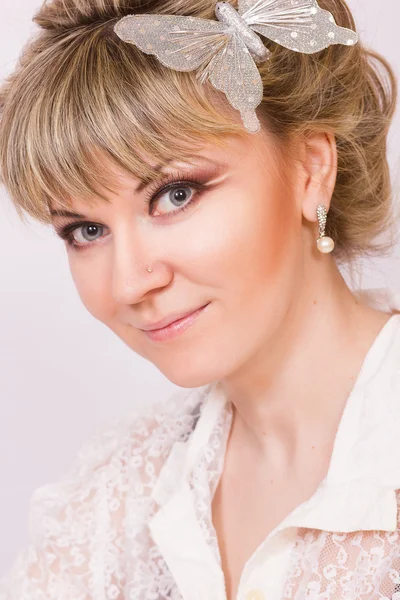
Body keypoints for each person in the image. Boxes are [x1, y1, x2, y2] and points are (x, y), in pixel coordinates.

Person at [0, 0, 399, 597]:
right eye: (86, 230)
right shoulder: (114, 498)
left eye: (175, 194)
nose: (130, 282)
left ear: (311, 168)